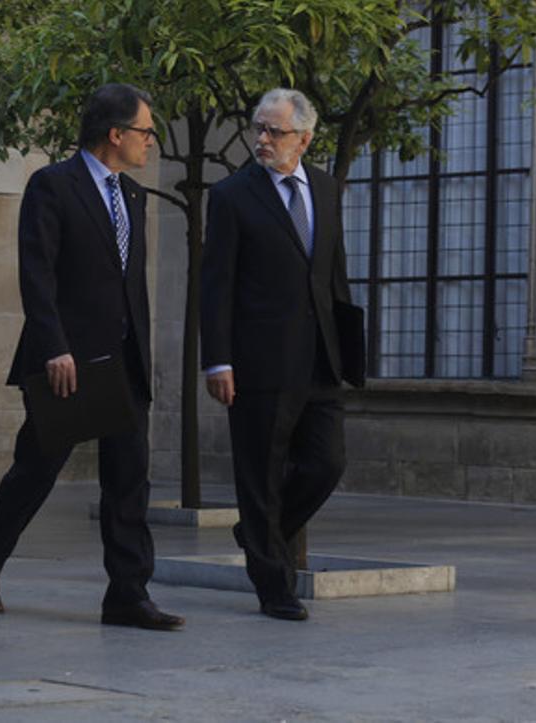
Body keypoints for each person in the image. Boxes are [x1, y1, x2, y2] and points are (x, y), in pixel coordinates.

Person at [0, 83, 184, 631]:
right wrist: (54, 347)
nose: (150, 142)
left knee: (129, 479)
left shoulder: (133, 196)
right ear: (115, 134)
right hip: (67, 363)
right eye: (145, 131)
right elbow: (36, 274)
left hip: (123, 365)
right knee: (34, 473)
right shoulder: (52, 186)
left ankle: (128, 595)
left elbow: (130, 287)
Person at [201, 88, 363, 621]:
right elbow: (216, 284)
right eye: (259, 129)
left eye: (275, 131)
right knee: (260, 474)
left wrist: (348, 349)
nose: (263, 139)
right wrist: (217, 359)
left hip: (321, 358)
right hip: (258, 361)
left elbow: (333, 274)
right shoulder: (231, 196)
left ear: (305, 139)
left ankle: (257, 532)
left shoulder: (325, 188)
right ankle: (274, 587)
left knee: (327, 462)